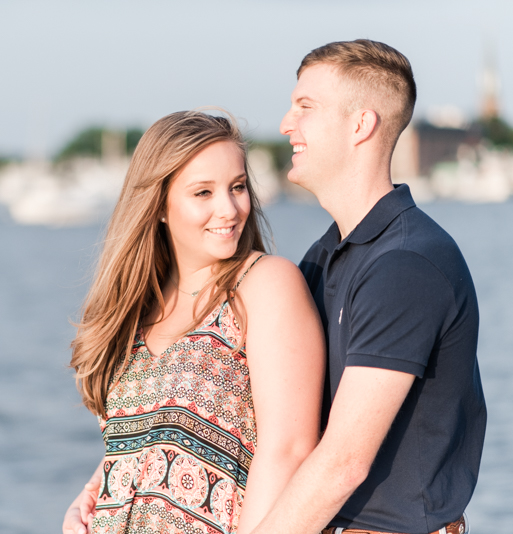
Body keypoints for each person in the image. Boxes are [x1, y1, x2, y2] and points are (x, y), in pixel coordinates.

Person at [250, 40, 487, 534]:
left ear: (361, 125)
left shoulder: (406, 264)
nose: (285, 124)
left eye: (305, 108)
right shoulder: (326, 254)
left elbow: (343, 463)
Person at [62, 110, 325, 534]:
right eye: (203, 192)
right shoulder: (135, 308)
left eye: (237, 187)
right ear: (159, 206)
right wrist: (90, 493)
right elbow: (155, 437)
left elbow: (289, 450)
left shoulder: (264, 286)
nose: (229, 208)